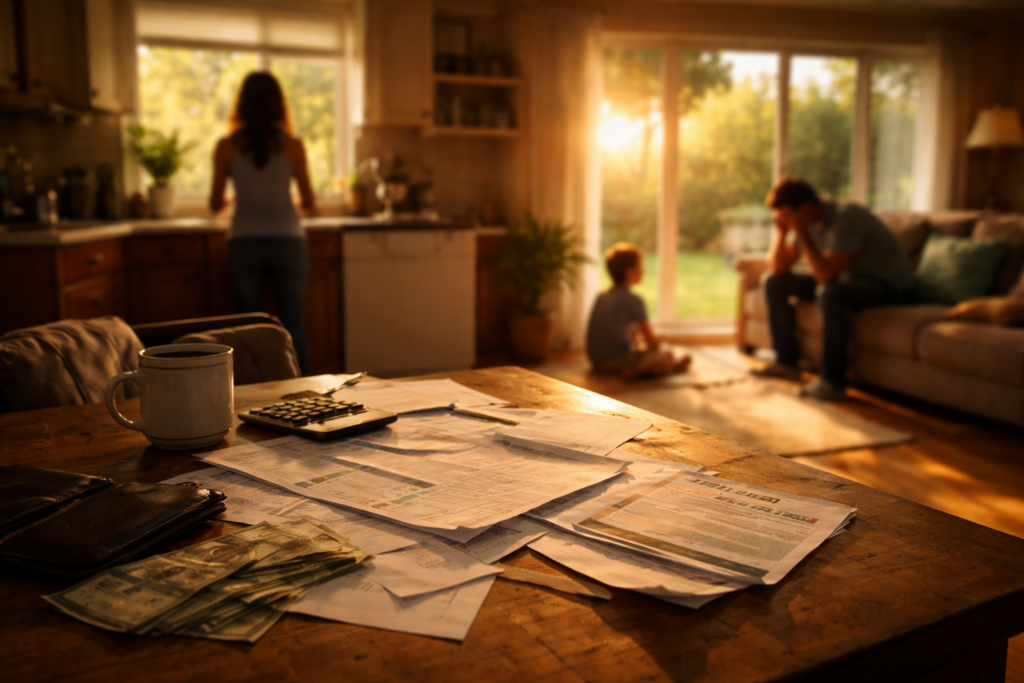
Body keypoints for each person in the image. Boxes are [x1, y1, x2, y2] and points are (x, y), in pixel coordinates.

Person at [753, 177, 913, 401]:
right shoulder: (808, 221)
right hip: (850, 282)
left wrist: (802, 233)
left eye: (789, 216)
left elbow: (826, 276)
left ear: (807, 207)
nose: (788, 222)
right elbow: (779, 268)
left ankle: (833, 382)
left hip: (890, 287)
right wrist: (782, 233)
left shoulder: (847, 217)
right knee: (773, 281)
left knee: (829, 293)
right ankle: (786, 362)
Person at [210, 71, 317, 375]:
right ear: (279, 106)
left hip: (244, 243)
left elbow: (216, 203)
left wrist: (240, 198)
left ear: (241, 105)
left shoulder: (226, 146)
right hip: (288, 242)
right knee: (293, 323)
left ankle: (251, 400)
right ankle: (305, 395)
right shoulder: (293, 146)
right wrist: (283, 201)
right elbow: (309, 202)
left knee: (247, 328)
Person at [586, 243, 691, 380]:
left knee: (650, 352)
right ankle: (639, 370)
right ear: (629, 271)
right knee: (666, 352)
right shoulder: (634, 300)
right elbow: (651, 341)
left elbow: (627, 336)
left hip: (596, 361)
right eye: (639, 266)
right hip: (616, 362)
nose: (643, 271)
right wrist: (659, 339)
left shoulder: (601, 296)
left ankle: (645, 368)